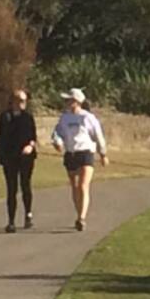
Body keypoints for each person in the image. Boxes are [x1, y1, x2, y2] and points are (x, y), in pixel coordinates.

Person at [50, 88, 108, 231]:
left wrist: (103, 154)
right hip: (71, 154)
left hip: (86, 153)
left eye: (69, 100)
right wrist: (57, 141)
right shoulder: (64, 118)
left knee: (83, 185)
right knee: (75, 186)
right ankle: (78, 214)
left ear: (76, 101)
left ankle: (82, 217)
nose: (67, 102)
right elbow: (57, 132)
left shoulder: (87, 117)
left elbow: (98, 135)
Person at [0, 89, 37, 233]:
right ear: (13, 102)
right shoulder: (5, 117)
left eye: (24, 101)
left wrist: (30, 146)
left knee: (25, 184)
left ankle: (28, 215)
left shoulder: (28, 117)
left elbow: (33, 136)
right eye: (20, 101)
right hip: (9, 157)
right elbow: (0, 137)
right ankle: (11, 221)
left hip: (26, 157)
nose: (22, 104)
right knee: (11, 188)